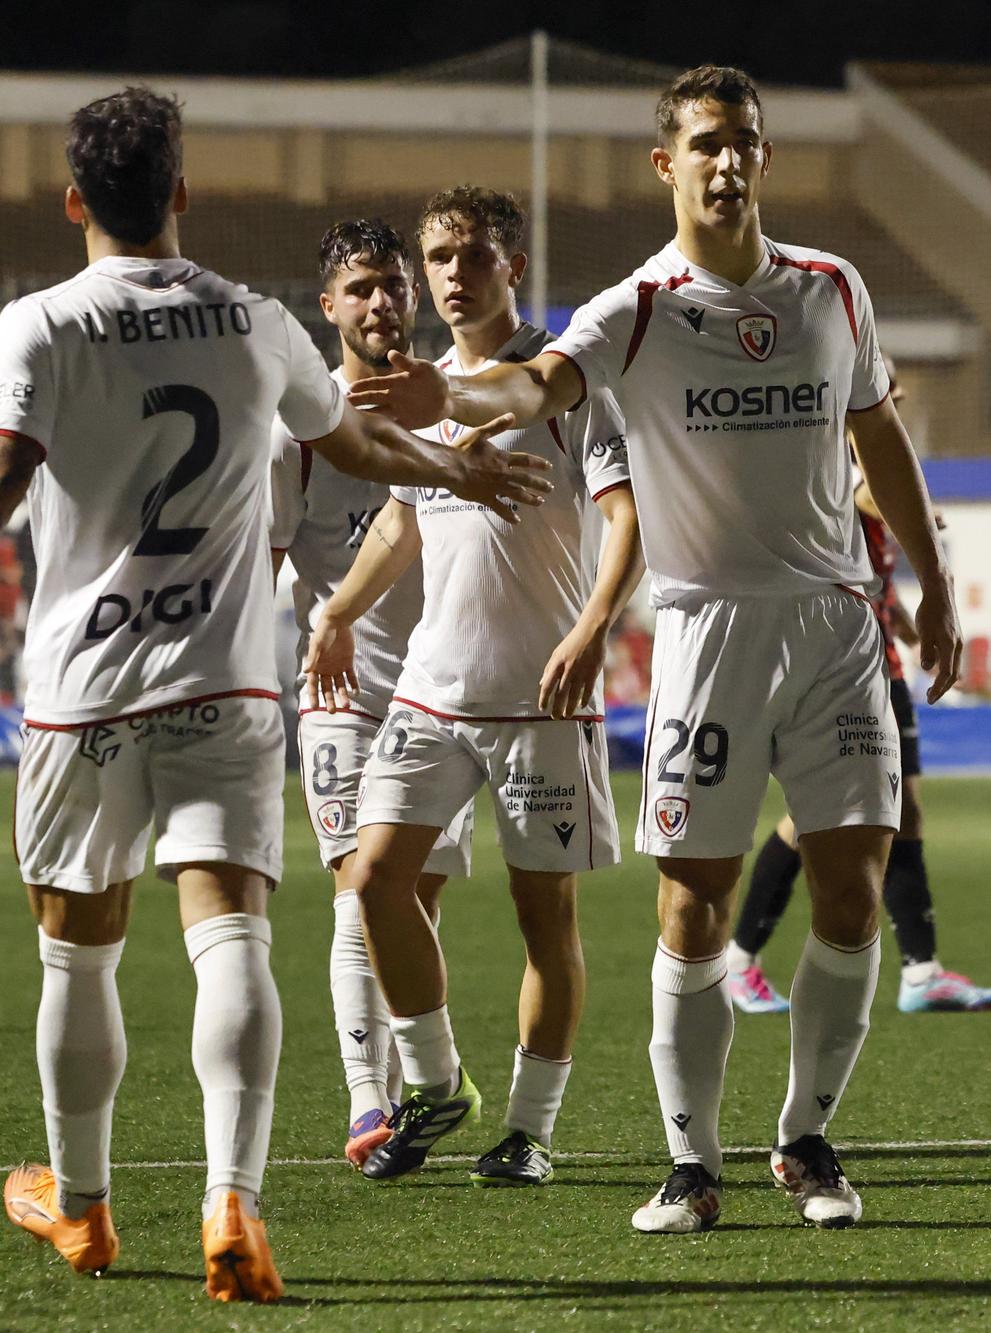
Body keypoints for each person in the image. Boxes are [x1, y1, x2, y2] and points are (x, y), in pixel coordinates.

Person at [0, 87, 549, 1303]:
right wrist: (457, 473)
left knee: (77, 957)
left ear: (76, 203)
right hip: (225, 684)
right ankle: (235, 1201)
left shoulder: (41, 324)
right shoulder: (254, 320)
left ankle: (80, 1211)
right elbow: (357, 447)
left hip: (85, 688)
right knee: (231, 930)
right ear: (181, 193)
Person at [347, 64, 961, 1233]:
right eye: (704, 145)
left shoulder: (833, 289)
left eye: (742, 141)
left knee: (852, 890)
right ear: (664, 164)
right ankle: (691, 1164)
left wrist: (928, 584)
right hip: (705, 632)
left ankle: (806, 1139)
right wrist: (455, 396)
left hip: (835, 623)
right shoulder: (638, 306)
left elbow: (878, 433)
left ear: (762, 158)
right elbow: (540, 384)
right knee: (693, 910)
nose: (725, 162)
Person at [306, 185, 641, 1188]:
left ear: (513, 266)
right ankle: (436, 1081)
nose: (453, 275)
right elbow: (403, 521)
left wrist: (592, 629)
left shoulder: (563, 381)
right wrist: (337, 610)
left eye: (474, 256)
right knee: (370, 882)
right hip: (430, 691)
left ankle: (529, 1131)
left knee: (545, 923)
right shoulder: (416, 384)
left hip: (540, 694)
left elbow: (627, 518)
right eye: (439, 257)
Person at [267, 217, 475, 1170]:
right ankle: (367, 1101)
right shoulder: (299, 429)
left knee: (412, 903)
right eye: (361, 289)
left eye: (393, 284)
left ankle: (417, 1099)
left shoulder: (449, 405)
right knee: (360, 890)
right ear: (329, 306)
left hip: (441, 690)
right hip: (340, 691)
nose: (382, 302)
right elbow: (268, 554)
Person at [730, 384, 991, 1016]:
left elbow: (873, 573)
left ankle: (922, 971)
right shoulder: (835, 467)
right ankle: (740, 957)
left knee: (901, 811)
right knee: (817, 816)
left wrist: (912, 630)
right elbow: (869, 494)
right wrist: (911, 504)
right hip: (843, 670)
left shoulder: (854, 456)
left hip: (879, 667)